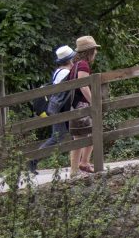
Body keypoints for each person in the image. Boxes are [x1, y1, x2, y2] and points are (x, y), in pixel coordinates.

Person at [27, 45, 76, 173]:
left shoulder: (58, 72)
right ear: (70, 60)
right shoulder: (65, 73)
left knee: (66, 135)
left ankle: (76, 165)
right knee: (58, 137)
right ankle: (33, 160)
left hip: (58, 108)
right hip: (61, 109)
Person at [68, 35, 100, 175]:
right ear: (90, 51)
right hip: (81, 105)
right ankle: (82, 164)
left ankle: (77, 168)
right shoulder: (83, 65)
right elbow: (83, 86)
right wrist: (94, 102)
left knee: (79, 138)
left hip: (74, 105)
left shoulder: (75, 65)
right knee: (93, 132)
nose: (96, 53)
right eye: (95, 50)